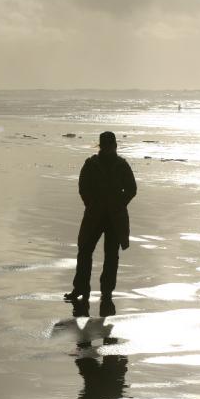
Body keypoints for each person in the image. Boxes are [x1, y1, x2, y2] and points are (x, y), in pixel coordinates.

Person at [64, 131, 137, 315]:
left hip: (113, 217)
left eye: (108, 145)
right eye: (106, 145)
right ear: (107, 145)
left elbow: (131, 189)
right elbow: (83, 187)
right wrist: (91, 203)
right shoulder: (91, 164)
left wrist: (119, 203)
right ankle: (83, 289)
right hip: (96, 215)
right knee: (86, 251)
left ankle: (105, 292)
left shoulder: (120, 165)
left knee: (108, 255)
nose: (108, 148)